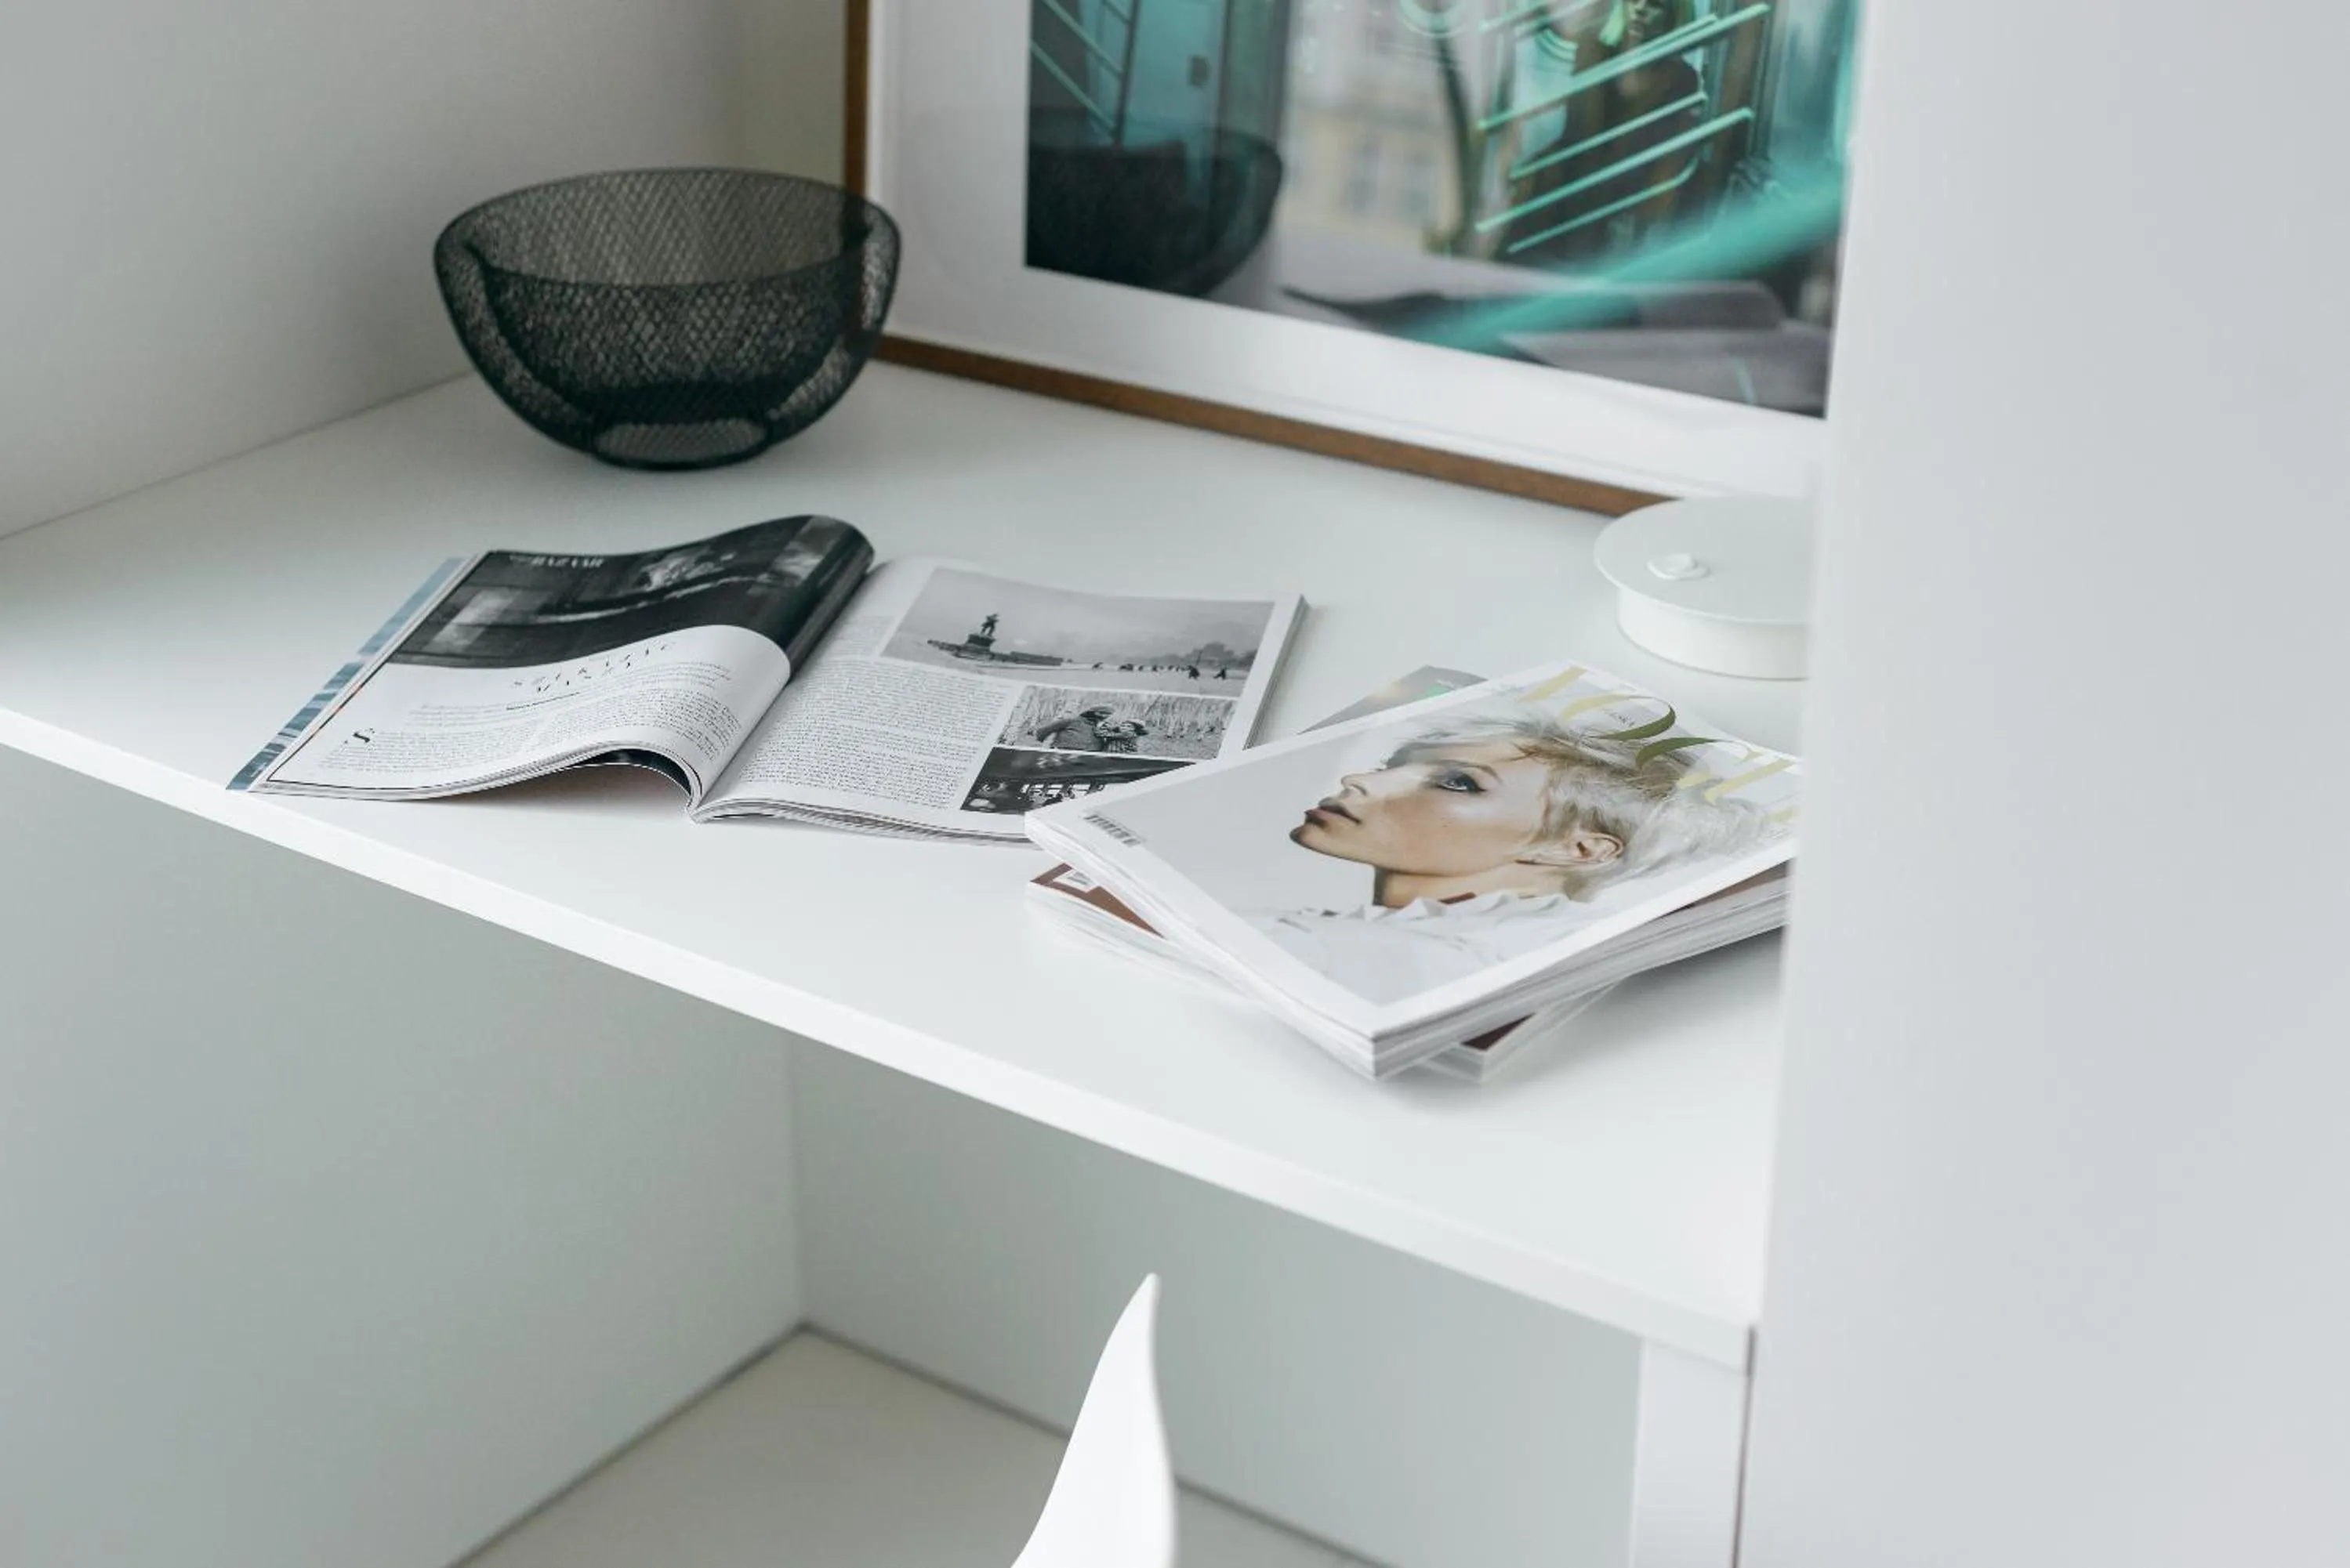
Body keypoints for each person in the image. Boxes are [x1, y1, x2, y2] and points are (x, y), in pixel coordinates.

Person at [1251, 708, 1771, 1003]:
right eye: (1395, 764)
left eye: (1459, 783)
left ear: (1578, 847)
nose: (1360, 779)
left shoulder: (1343, 953)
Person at [1032, 705, 1114, 751]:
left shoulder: (1104, 728)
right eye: (1102, 713)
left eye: (1107, 715)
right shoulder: (1071, 721)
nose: (1104, 716)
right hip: (1065, 751)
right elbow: (1045, 731)